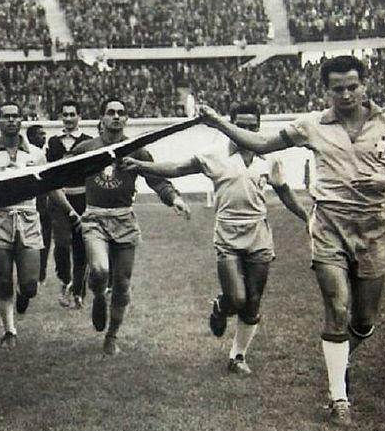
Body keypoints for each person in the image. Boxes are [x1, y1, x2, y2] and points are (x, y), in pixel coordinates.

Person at [198, 55, 385, 424]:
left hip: (372, 229)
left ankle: (341, 361)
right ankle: (338, 398)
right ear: (326, 90)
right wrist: (219, 123)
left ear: (364, 85)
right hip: (329, 225)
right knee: (337, 307)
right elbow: (263, 142)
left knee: (364, 321)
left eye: (352, 86)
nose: (346, 94)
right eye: (337, 89)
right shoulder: (312, 125)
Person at [120, 102, 308, 374]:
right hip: (228, 234)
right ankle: (222, 306)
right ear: (229, 125)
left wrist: (307, 217)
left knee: (253, 300)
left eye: (251, 126)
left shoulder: (270, 157)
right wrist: (139, 164)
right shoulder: (213, 155)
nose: (245, 130)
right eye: (240, 125)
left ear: (258, 127)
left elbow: (284, 191)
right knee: (237, 299)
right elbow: (175, 168)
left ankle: (238, 356)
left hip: (258, 234)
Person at [52, 98, 190, 355]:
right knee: (100, 269)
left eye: (121, 113)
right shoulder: (86, 149)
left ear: (126, 119)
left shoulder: (136, 150)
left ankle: (112, 337)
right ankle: (98, 296)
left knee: (123, 283)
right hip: (94, 218)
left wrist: (175, 199)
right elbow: (58, 174)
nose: (116, 117)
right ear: (102, 118)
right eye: (110, 113)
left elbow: (157, 180)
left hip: (124, 218)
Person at [0, 103, 46, 348]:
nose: (11, 120)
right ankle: (9, 330)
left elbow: (48, 186)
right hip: (1, 217)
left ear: (21, 120)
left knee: (30, 285)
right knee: (3, 280)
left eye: (15, 116)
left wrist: (69, 212)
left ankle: (24, 295)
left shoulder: (36, 153)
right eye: (5, 116)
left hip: (29, 217)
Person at [45, 100, 92, 309]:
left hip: (83, 198)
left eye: (72, 114)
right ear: (61, 117)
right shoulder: (53, 143)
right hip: (59, 200)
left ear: (79, 117)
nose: (69, 118)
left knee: (81, 246)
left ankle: (78, 291)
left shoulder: (89, 141)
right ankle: (64, 282)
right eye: (65, 114)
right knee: (62, 245)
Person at [26, 124, 52, 283]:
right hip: (30, 205)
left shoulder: (45, 154)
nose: (44, 137)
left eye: (44, 134)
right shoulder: (27, 155)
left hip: (44, 204)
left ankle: (41, 270)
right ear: (31, 138)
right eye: (40, 134)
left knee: (46, 238)